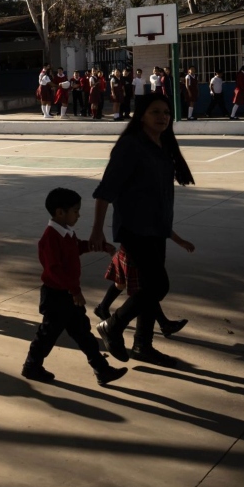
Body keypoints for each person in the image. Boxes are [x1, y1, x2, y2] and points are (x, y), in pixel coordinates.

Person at [91, 94, 197, 368]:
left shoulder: (162, 144)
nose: (162, 116)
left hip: (156, 229)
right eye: (155, 112)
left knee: (150, 288)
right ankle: (112, 326)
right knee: (158, 286)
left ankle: (142, 345)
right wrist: (97, 231)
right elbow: (106, 191)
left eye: (166, 112)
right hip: (134, 228)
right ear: (141, 116)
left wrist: (170, 232)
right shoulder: (130, 146)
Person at [21, 188, 129, 387]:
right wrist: (75, 291)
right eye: (76, 211)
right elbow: (55, 270)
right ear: (60, 212)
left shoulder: (65, 233)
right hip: (57, 296)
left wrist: (99, 246)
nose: (79, 215)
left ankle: (101, 370)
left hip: (68, 294)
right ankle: (31, 366)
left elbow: (77, 247)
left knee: (82, 332)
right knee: (47, 334)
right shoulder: (50, 238)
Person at [94, 245, 188, 338]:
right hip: (135, 250)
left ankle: (103, 308)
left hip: (135, 250)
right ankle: (163, 323)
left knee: (123, 284)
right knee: (145, 289)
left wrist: (180, 241)